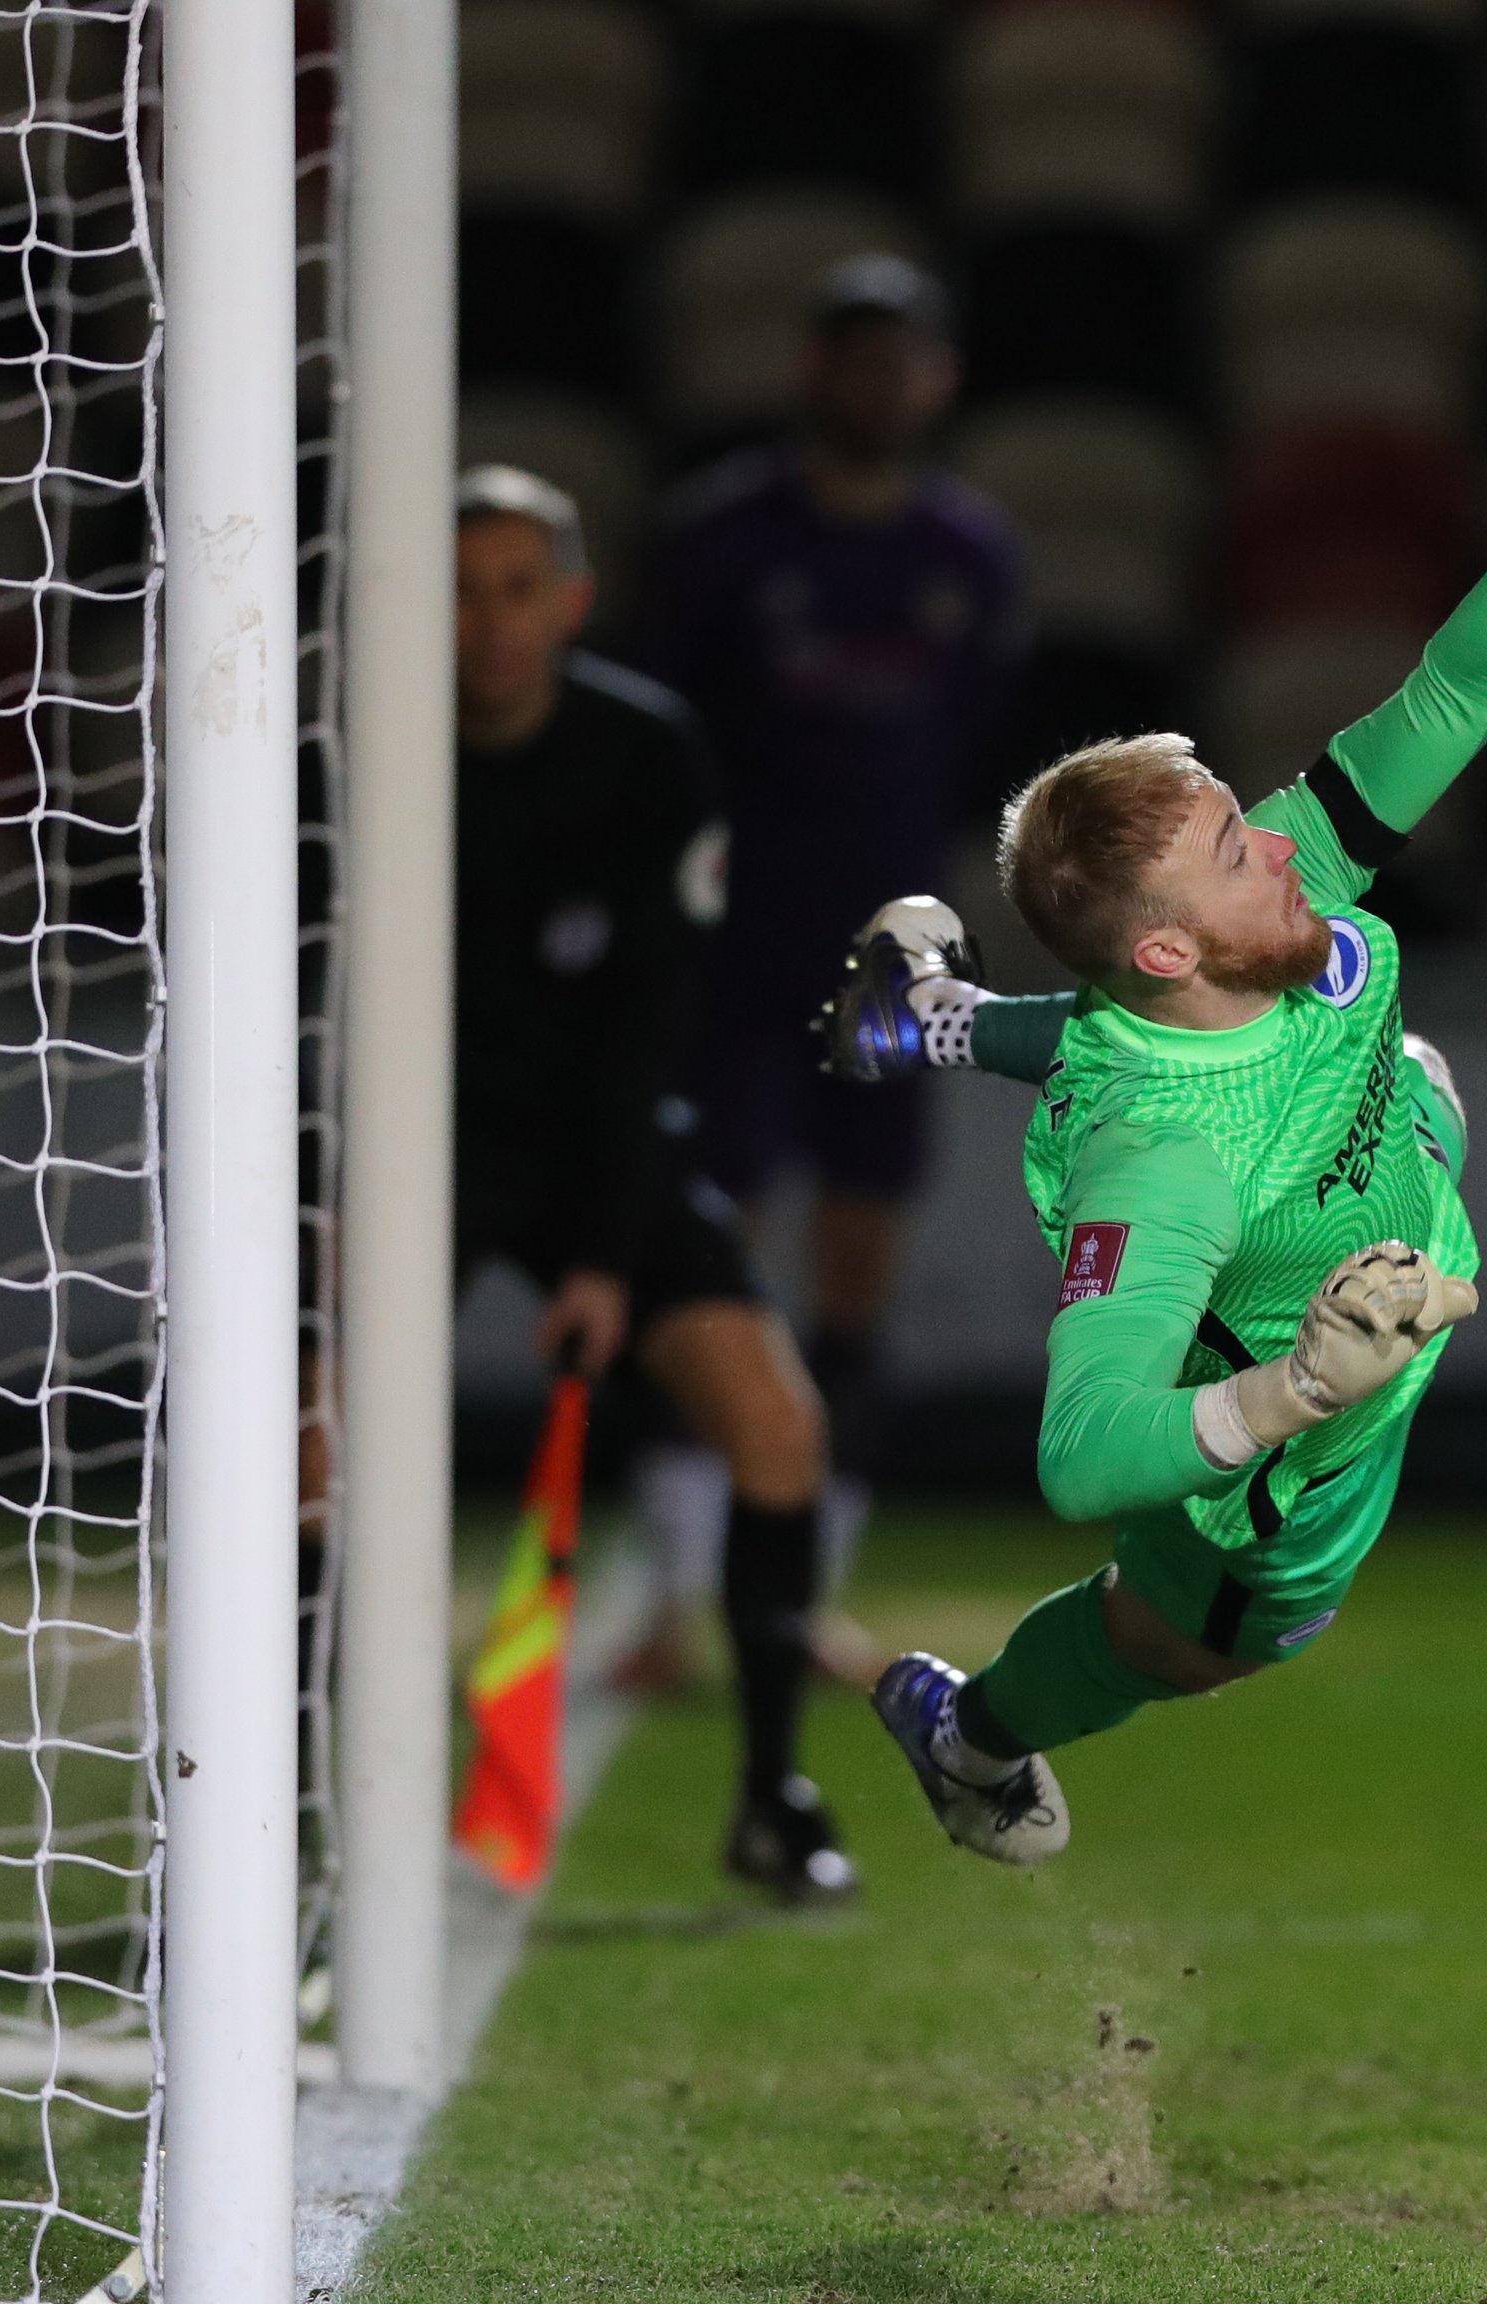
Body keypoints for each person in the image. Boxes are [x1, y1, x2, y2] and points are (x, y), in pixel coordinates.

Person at [822, 275, 1487, 1861]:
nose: (1289, 850)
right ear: (1171, 946)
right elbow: (1078, 1452)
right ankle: (967, 1735)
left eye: (1249, 823)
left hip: (1370, 1219)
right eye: (1242, 856)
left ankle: (933, 1017)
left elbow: (1456, 687)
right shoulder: (1160, 1165)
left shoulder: (1259, 907)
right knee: (1179, 1645)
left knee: (1412, 1072)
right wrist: (1299, 1385)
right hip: (1287, 1466)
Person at [443, 464, 856, 1905]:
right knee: (309, 1458)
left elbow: (647, 1021)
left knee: (774, 1424)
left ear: (570, 601)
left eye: (514, 589)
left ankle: (771, 1798)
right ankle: (295, 1826)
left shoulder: (644, 752)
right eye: (458, 589)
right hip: (401, 1151)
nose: (487, 625)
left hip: (592, 1142)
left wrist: (607, 1257)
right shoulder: (356, 751)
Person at [643, 253, 1025, 1577]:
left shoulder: (967, 556)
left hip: (894, 953)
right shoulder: (722, 542)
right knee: (708, 1247)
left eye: (900, 357)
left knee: (860, 1248)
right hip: (739, 947)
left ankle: (813, 1560)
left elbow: (977, 747)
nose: (878, 382)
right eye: (854, 355)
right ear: (810, 370)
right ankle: (683, 1556)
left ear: (937, 379)